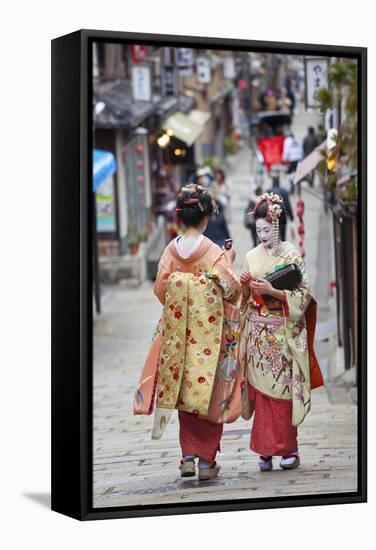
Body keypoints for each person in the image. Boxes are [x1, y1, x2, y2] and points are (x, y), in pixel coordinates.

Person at [135, 184, 241, 481]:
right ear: (206, 216)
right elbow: (232, 290)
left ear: (180, 217)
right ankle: (207, 462)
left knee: (184, 391)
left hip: (178, 336)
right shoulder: (213, 251)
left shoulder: (171, 250)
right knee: (208, 393)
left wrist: (182, 299)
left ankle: (187, 456)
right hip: (210, 337)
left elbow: (161, 289)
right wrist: (228, 263)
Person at [238, 192, 323, 472]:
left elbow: (304, 294)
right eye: (258, 230)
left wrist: (273, 291)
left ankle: (289, 449)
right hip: (258, 334)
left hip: (283, 332)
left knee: (283, 394)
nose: (261, 235)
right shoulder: (251, 256)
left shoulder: (290, 253)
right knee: (262, 396)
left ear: (276, 225)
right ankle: (264, 452)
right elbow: (244, 300)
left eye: (266, 229)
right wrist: (244, 285)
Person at [267, 170, 294, 240]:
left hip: (271, 218)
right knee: (283, 237)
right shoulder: (284, 191)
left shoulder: (268, 191)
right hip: (282, 217)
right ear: (279, 181)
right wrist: (291, 216)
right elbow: (287, 205)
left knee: (273, 238)